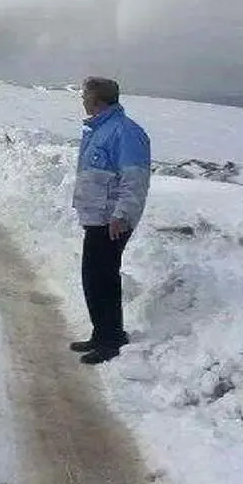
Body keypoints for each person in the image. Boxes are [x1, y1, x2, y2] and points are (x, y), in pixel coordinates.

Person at [70, 76, 151, 365]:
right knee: (94, 278)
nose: (82, 100)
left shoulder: (124, 132)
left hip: (111, 221)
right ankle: (101, 333)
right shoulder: (99, 129)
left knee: (103, 278)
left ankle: (111, 339)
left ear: (97, 99)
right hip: (97, 218)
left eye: (85, 95)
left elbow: (135, 178)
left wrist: (122, 214)